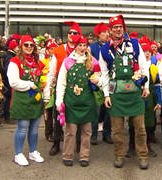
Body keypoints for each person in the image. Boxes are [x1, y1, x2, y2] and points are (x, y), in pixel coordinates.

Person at [99, 14, 150, 170]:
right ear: (110, 30)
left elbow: (143, 66)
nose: (118, 29)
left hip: (135, 92)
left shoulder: (134, 44)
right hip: (116, 93)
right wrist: (106, 95)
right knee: (117, 130)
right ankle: (119, 155)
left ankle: (142, 156)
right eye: (115, 27)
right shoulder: (105, 49)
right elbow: (104, 73)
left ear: (123, 28)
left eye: (120, 27)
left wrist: (146, 86)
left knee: (140, 128)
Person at [55, 34, 101, 167]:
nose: (82, 48)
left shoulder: (93, 61)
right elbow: (61, 83)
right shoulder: (67, 61)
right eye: (79, 45)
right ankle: (68, 155)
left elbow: (100, 78)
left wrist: (97, 80)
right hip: (71, 101)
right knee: (70, 131)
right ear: (75, 47)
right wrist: (59, 101)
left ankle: (84, 156)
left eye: (84, 45)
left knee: (87, 131)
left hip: (87, 101)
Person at [44, 21, 82, 156]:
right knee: (57, 117)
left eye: (75, 33)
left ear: (79, 35)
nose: (72, 35)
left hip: (77, 90)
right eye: (70, 33)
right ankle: (56, 143)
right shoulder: (59, 49)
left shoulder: (83, 49)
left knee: (77, 118)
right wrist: (48, 89)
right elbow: (52, 71)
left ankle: (78, 144)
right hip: (60, 88)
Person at [8, 35, 45, 166]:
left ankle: (33, 152)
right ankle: (18, 154)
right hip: (22, 100)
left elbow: (42, 78)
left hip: (35, 100)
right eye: (26, 45)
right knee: (22, 128)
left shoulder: (37, 61)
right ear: (21, 46)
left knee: (34, 128)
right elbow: (13, 82)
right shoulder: (15, 61)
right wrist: (29, 84)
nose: (29, 47)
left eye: (31, 45)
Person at [90, 22, 113, 145]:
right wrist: (94, 81)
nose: (106, 34)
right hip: (97, 81)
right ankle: (93, 134)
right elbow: (89, 65)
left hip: (111, 81)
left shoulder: (113, 45)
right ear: (98, 35)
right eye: (103, 32)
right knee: (97, 110)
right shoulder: (92, 47)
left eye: (106, 32)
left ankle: (107, 133)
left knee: (109, 108)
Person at [40, 39, 58, 142]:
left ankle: (59, 132)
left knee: (58, 113)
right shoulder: (43, 61)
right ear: (47, 50)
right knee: (48, 113)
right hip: (46, 91)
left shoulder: (58, 59)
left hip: (56, 89)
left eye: (55, 48)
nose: (53, 50)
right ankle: (49, 133)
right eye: (51, 48)